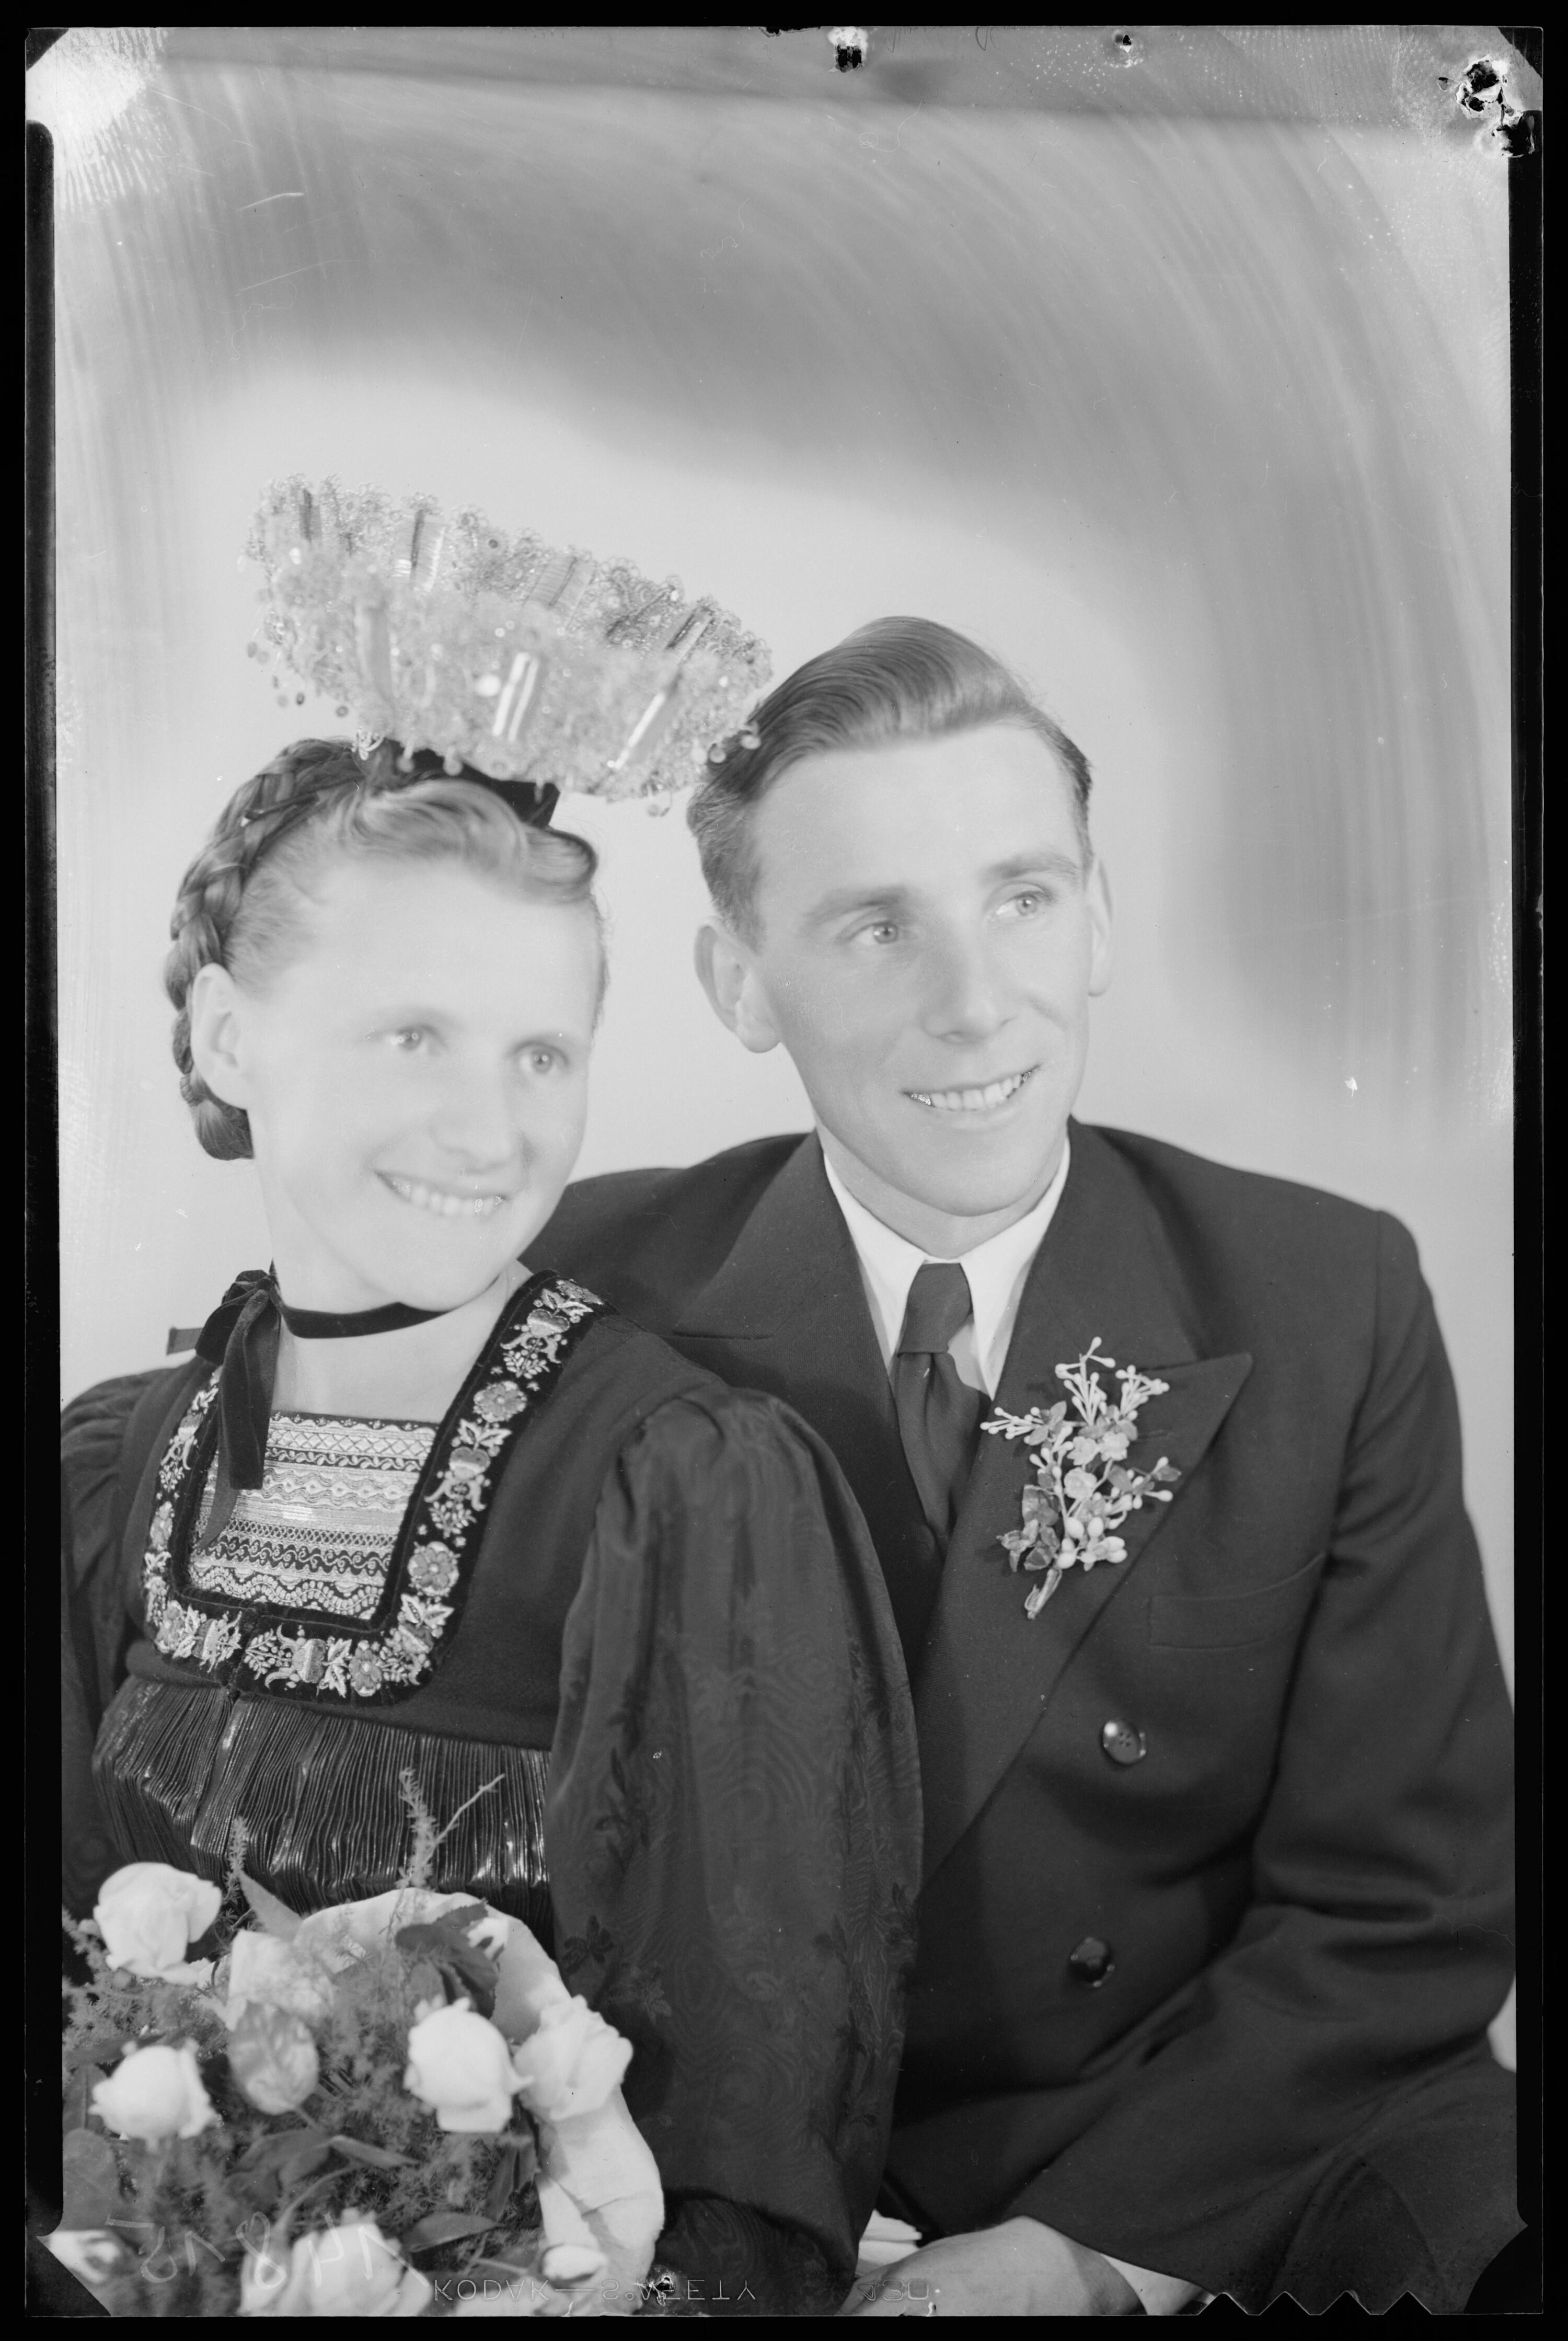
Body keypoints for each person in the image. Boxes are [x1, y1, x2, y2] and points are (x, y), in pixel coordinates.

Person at [535, 616, 1519, 2316]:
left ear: (1101, 917)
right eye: (876, 926)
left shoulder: (1325, 1298)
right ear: (740, 983)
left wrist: (1088, 2255)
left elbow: (1402, 1905)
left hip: (1211, 2141)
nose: (977, 1001)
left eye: (1024, 898)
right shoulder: (580, 1298)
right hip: (722, 2153)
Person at [61, 492, 923, 2319]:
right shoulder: (115, 1468)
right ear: (226, 1037)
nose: (490, 1127)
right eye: (414, 1036)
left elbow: (758, 2153)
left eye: (543, 1052)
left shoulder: (684, 1490)